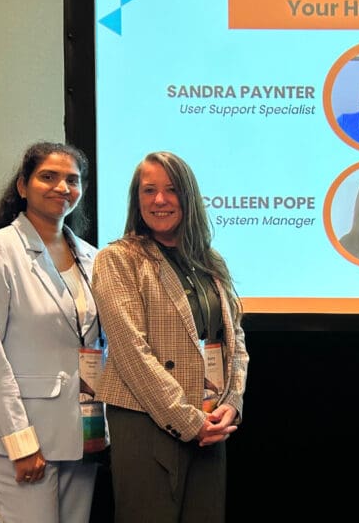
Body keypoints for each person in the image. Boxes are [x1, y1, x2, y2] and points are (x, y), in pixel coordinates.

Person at [93, 151, 249, 522]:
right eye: (149, 190)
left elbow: (235, 341)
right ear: (137, 199)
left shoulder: (211, 261)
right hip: (148, 423)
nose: (159, 200)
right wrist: (187, 421)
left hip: (210, 422)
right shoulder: (118, 259)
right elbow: (132, 353)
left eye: (171, 189)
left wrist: (233, 404)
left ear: (189, 197)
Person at [0, 142, 103, 523]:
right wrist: (19, 440)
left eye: (72, 180)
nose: (61, 187)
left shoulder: (92, 256)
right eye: (48, 177)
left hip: (82, 434)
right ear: (23, 186)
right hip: (28, 436)